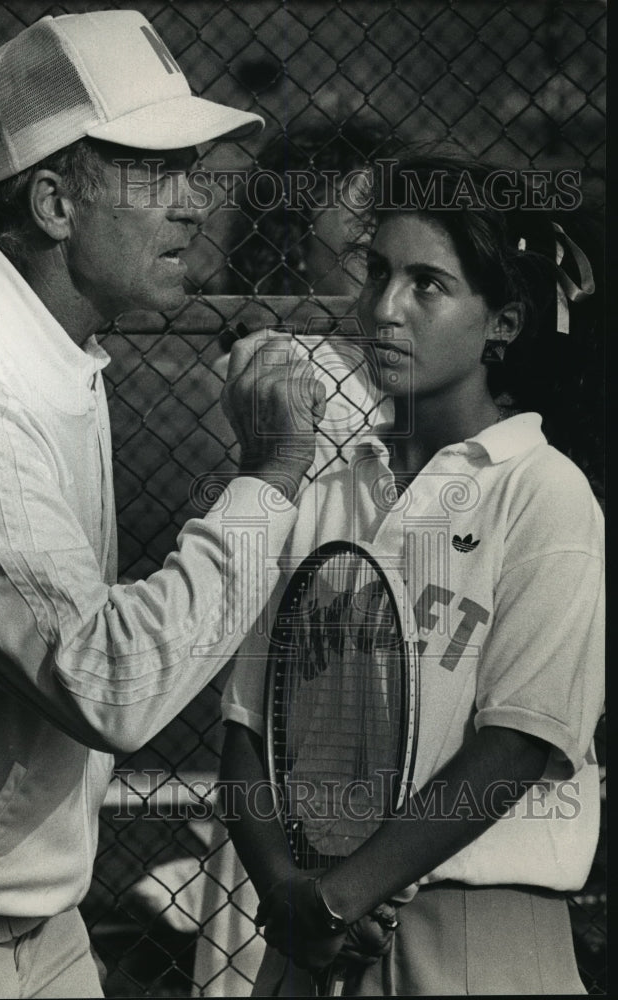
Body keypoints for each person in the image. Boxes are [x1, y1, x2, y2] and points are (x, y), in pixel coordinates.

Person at [0, 11, 326, 998]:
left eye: (193, 169)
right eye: (156, 169)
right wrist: (272, 470)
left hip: (28, 926)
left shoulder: (50, 348)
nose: (195, 202)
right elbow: (112, 683)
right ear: (56, 202)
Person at [219, 154, 604, 995]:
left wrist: (338, 898)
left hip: (475, 935)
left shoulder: (542, 493)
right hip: (307, 938)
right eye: (378, 273)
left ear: (501, 322)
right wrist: (290, 898)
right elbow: (245, 729)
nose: (385, 308)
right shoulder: (327, 495)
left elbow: (515, 745)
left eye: (427, 285)